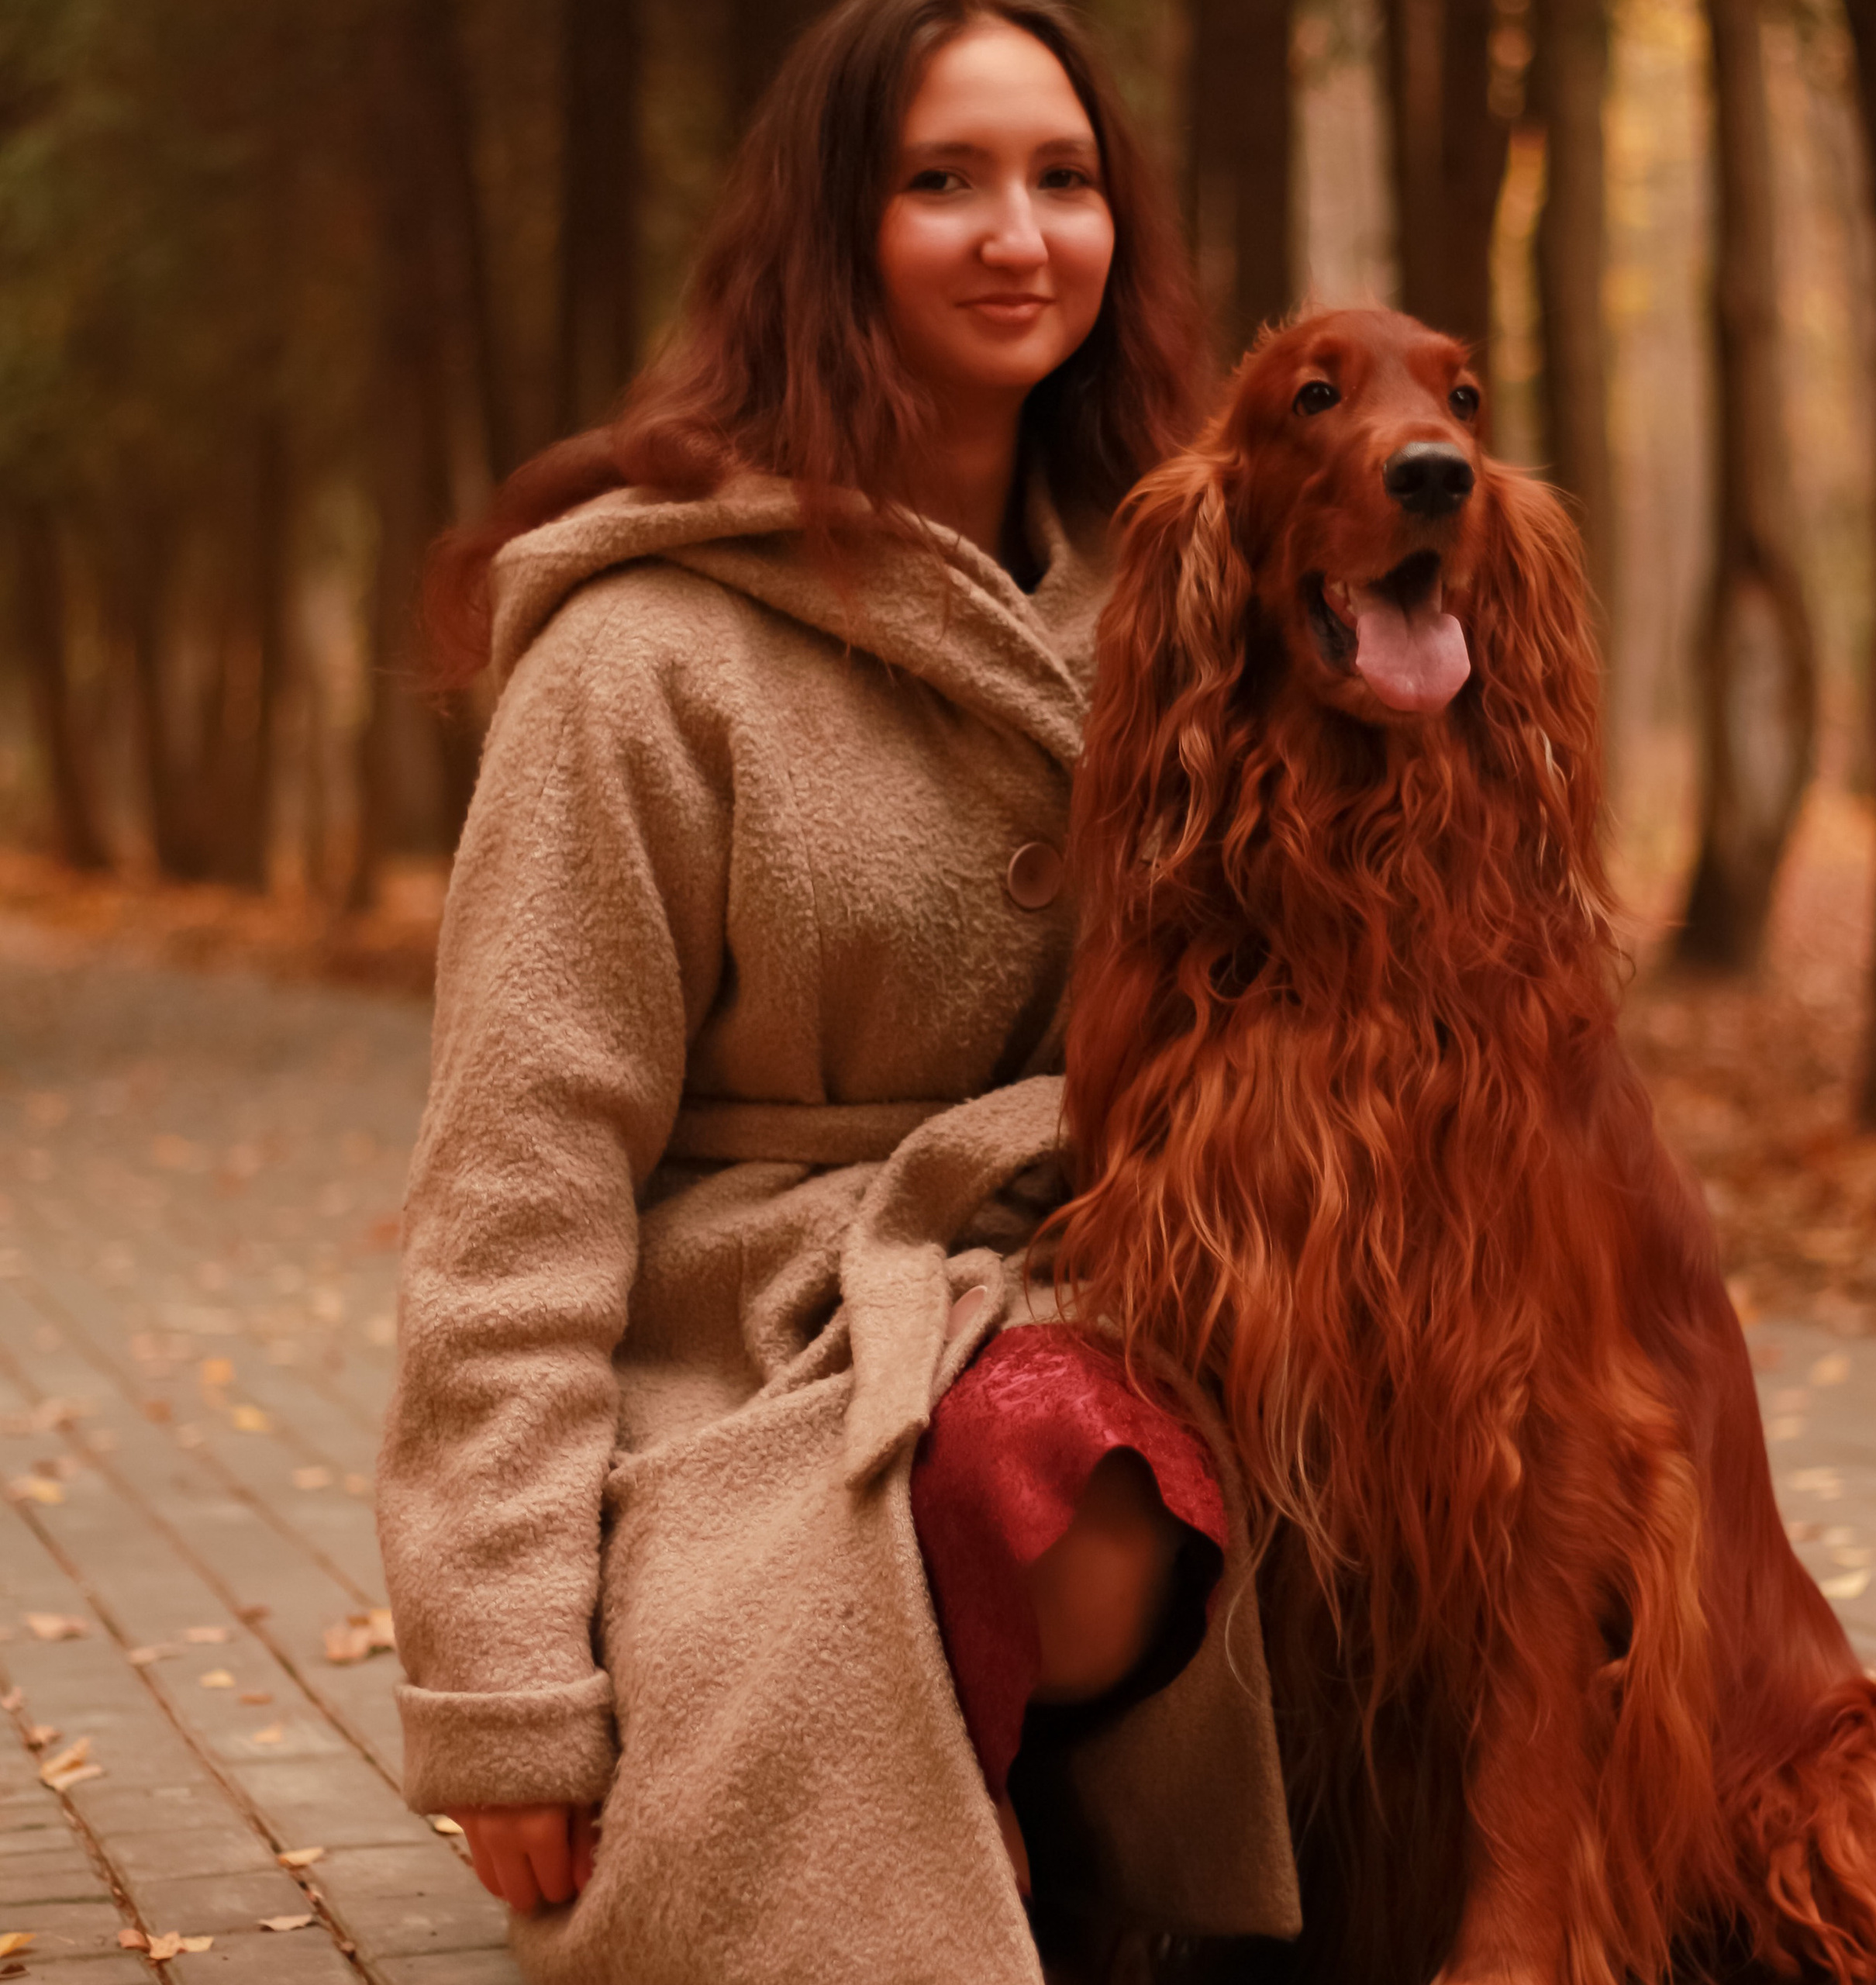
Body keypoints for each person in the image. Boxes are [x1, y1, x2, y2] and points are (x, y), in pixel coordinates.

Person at [377, 4, 1302, 1978]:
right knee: (1058, 1488)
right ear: (824, 227)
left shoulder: (1177, 618)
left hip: (1124, 1261)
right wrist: (506, 1683)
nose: (1017, 233)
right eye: (940, 180)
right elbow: (518, 1177)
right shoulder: (642, 655)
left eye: (1063, 179)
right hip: (760, 1335)